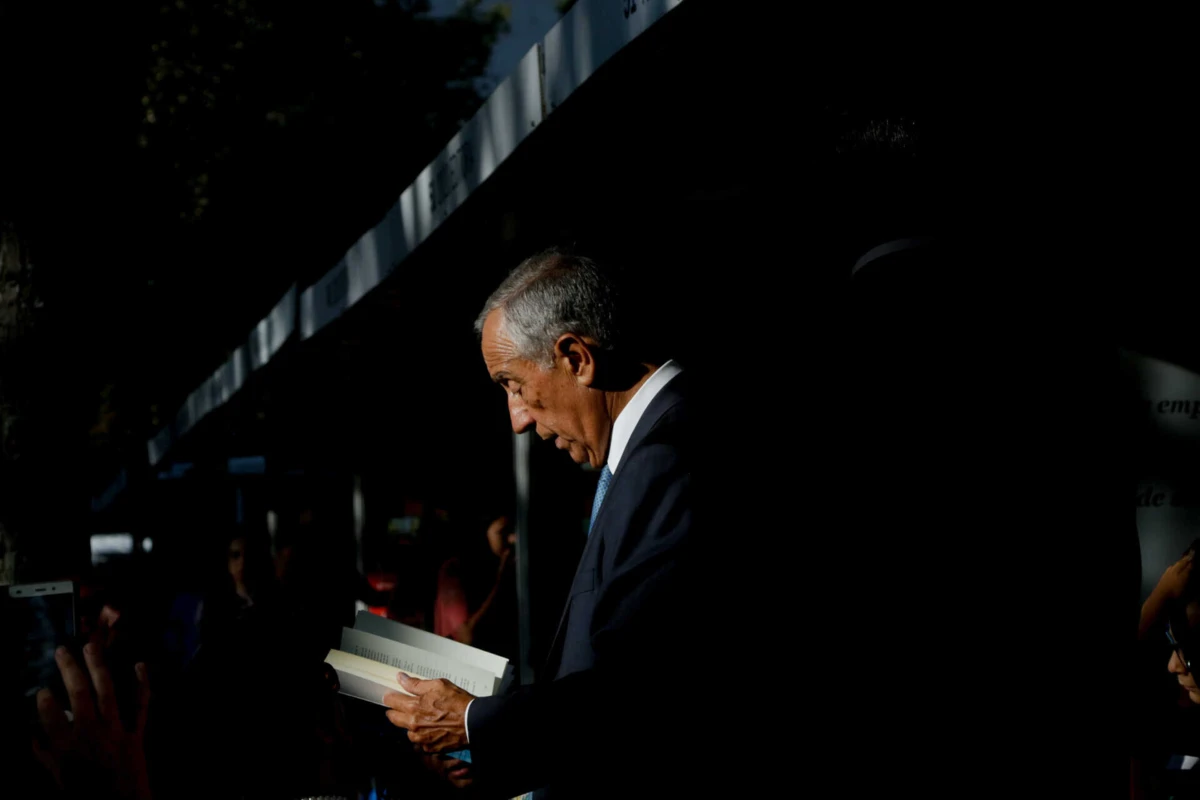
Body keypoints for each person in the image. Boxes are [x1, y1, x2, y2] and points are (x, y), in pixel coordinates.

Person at [381, 248, 707, 798]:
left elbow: (641, 691)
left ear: (576, 358)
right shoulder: (655, 451)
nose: (517, 419)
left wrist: (473, 724)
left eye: (513, 384)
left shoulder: (668, 456)